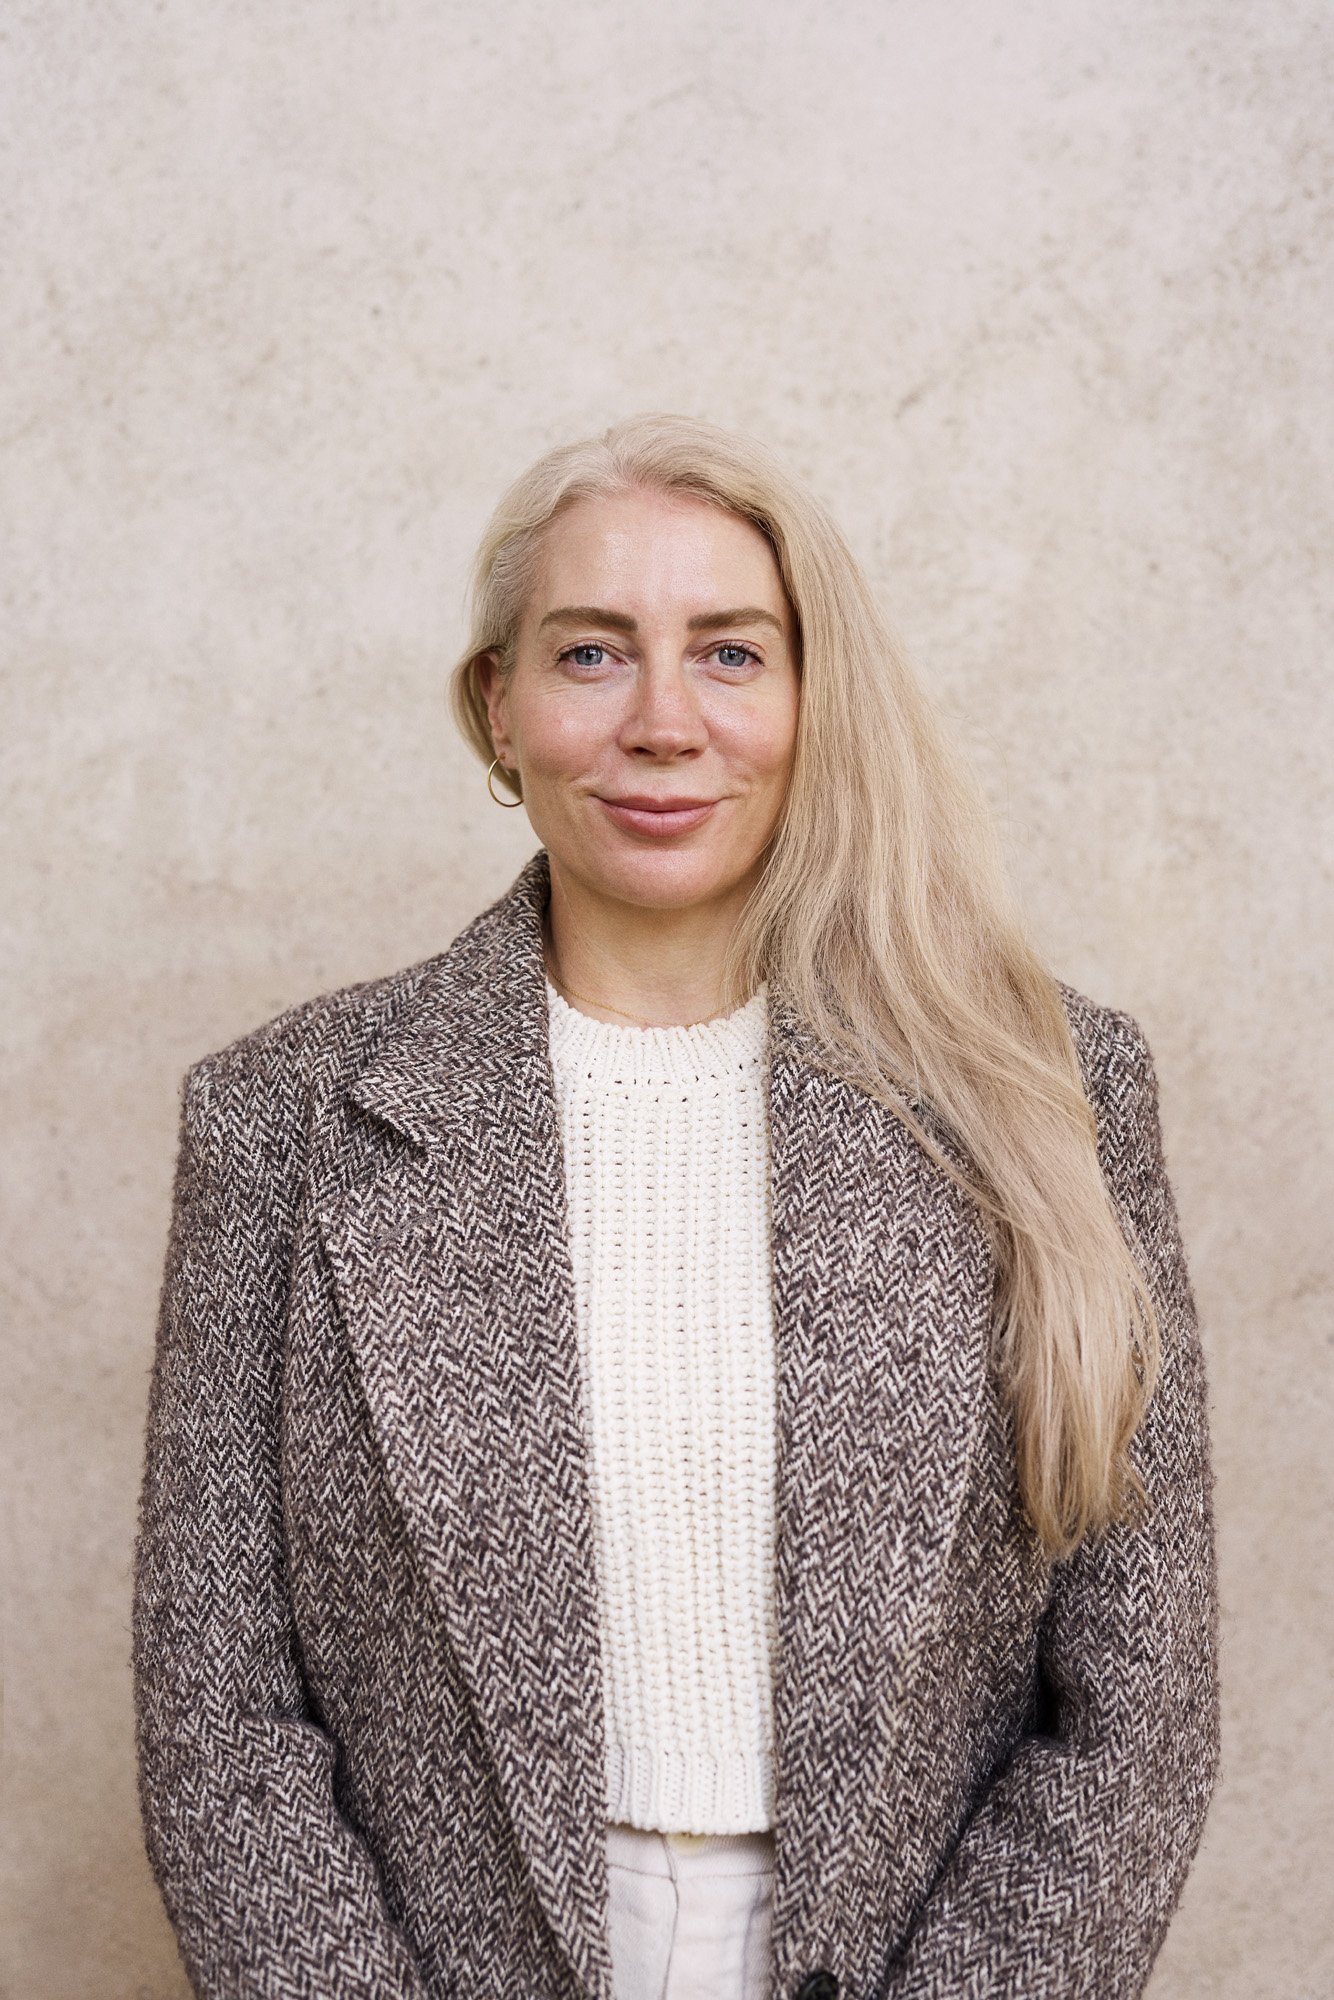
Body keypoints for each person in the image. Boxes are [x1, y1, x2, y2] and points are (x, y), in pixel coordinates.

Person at [132, 413, 1221, 2000]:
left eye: (729, 653)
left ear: (809, 700)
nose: (661, 722)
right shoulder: (280, 1116)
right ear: (493, 712)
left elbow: (1136, 1707)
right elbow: (216, 1714)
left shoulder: (1050, 1093)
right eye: (588, 656)